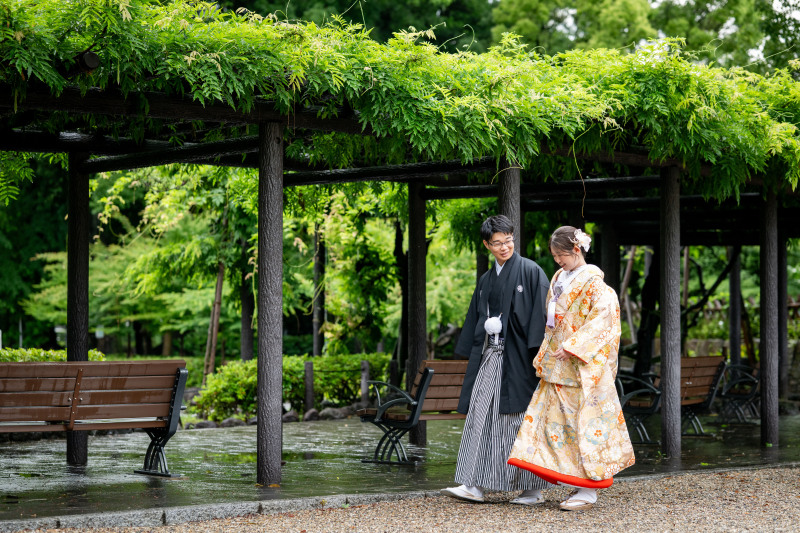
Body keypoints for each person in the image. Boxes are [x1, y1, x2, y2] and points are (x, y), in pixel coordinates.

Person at [507, 226, 635, 511]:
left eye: (561, 255)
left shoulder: (595, 284)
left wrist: (575, 345)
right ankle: (534, 488)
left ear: (576, 250)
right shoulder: (558, 277)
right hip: (557, 362)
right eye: (554, 256)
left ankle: (587, 491)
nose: (557, 261)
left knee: (580, 427)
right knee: (545, 425)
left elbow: (606, 321)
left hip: (578, 366)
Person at [441, 215, 551, 505]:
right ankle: (474, 484)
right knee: (481, 417)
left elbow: (540, 317)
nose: (505, 247)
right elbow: (476, 319)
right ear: (487, 245)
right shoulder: (487, 279)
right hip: (491, 357)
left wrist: (538, 356)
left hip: (519, 361)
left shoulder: (530, 271)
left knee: (517, 421)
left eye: (509, 240)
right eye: (498, 243)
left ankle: (532, 489)